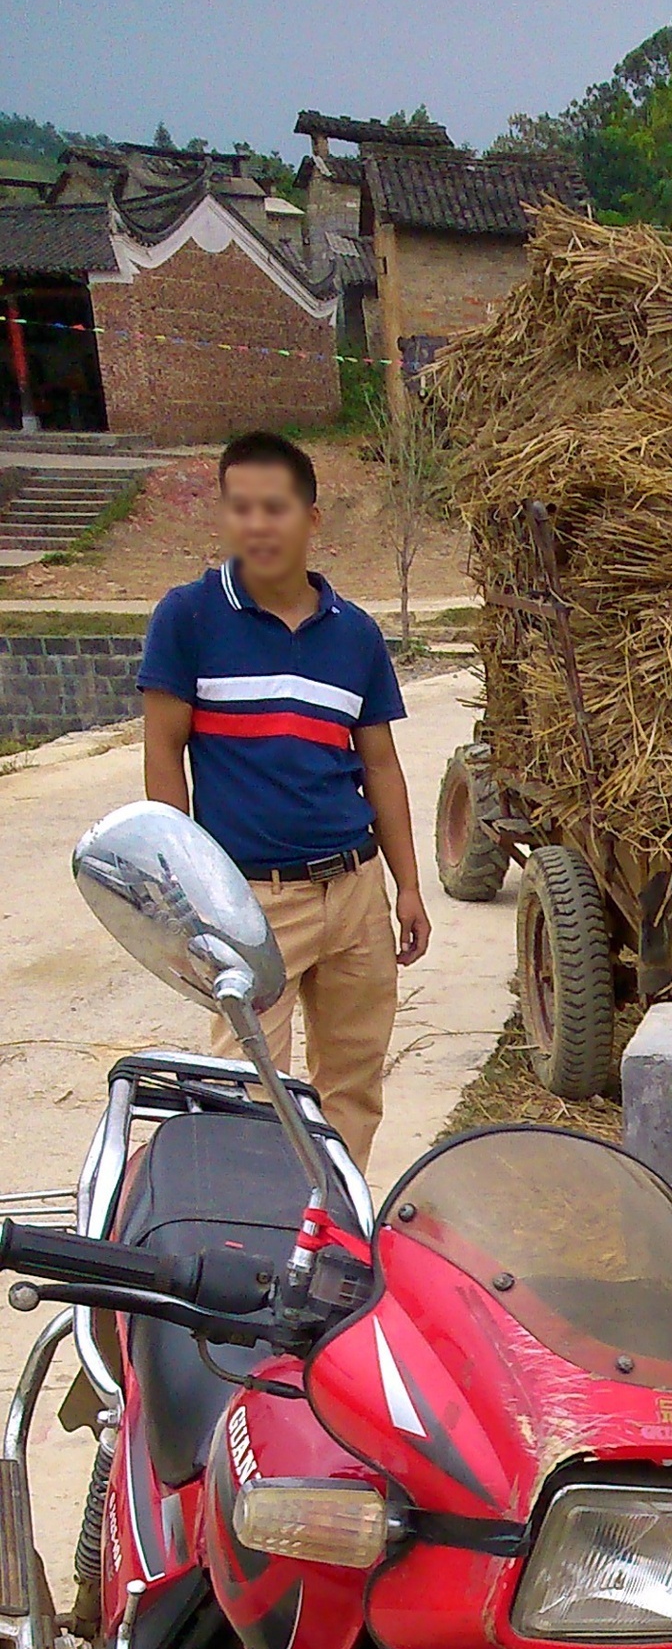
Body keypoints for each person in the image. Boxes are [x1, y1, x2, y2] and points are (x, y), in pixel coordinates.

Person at [138, 429, 430, 1170]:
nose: (256, 525)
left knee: (353, 1085)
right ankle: (255, 1246)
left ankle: (333, 1231)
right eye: (240, 508)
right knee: (247, 1087)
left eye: (273, 508)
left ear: (310, 518)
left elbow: (382, 768)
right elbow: (163, 753)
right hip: (248, 902)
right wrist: (184, 894)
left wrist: (408, 888)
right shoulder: (189, 619)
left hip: (355, 892)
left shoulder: (354, 635)